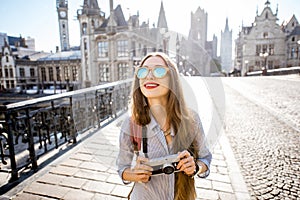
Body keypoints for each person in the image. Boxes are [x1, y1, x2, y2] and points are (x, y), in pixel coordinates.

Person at [116, 52, 212, 200]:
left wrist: (195, 167)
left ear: (172, 79)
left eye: (159, 70)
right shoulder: (131, 124)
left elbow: (205, 158)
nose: (149, 76)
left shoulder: (191, 120)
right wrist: (133, 174)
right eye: (143, 71)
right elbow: (122, 168)